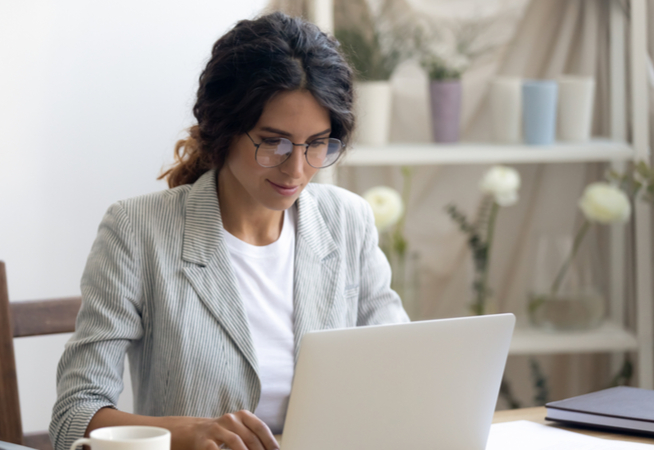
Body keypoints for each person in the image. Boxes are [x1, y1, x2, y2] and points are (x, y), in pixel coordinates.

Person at [50, 11, 408, 450]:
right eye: (273, 142)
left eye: (316, 144)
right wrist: (186, 433)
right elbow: (73, 417)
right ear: (223, 128)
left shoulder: (348, 221)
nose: (296, 169)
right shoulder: (137, 231)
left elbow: (400, 370)